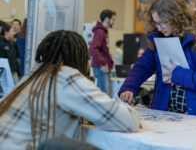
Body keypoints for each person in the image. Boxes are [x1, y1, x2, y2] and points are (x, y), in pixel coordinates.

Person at [0, 30, 139, 150]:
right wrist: (130, 110)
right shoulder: (65, 77)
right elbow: (126, 121)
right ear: (79, 57)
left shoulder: (30, 77)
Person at [119, 0, 196, 119]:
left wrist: (177, 74)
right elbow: (142, 66)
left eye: (164, 23)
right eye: (156, 23)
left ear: (178, 19)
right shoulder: (159, 37)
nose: (159, 28)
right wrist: (129, 87)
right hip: (166, 113)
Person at [89, 9, 116, 95]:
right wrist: (104, 63)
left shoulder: (103, 32)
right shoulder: (100, 32)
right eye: (113, 20)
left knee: (106, 95)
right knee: (104, 96)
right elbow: (93, 49)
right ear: (107, 19)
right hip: (101, 68)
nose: (114, 22)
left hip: (103, 67)